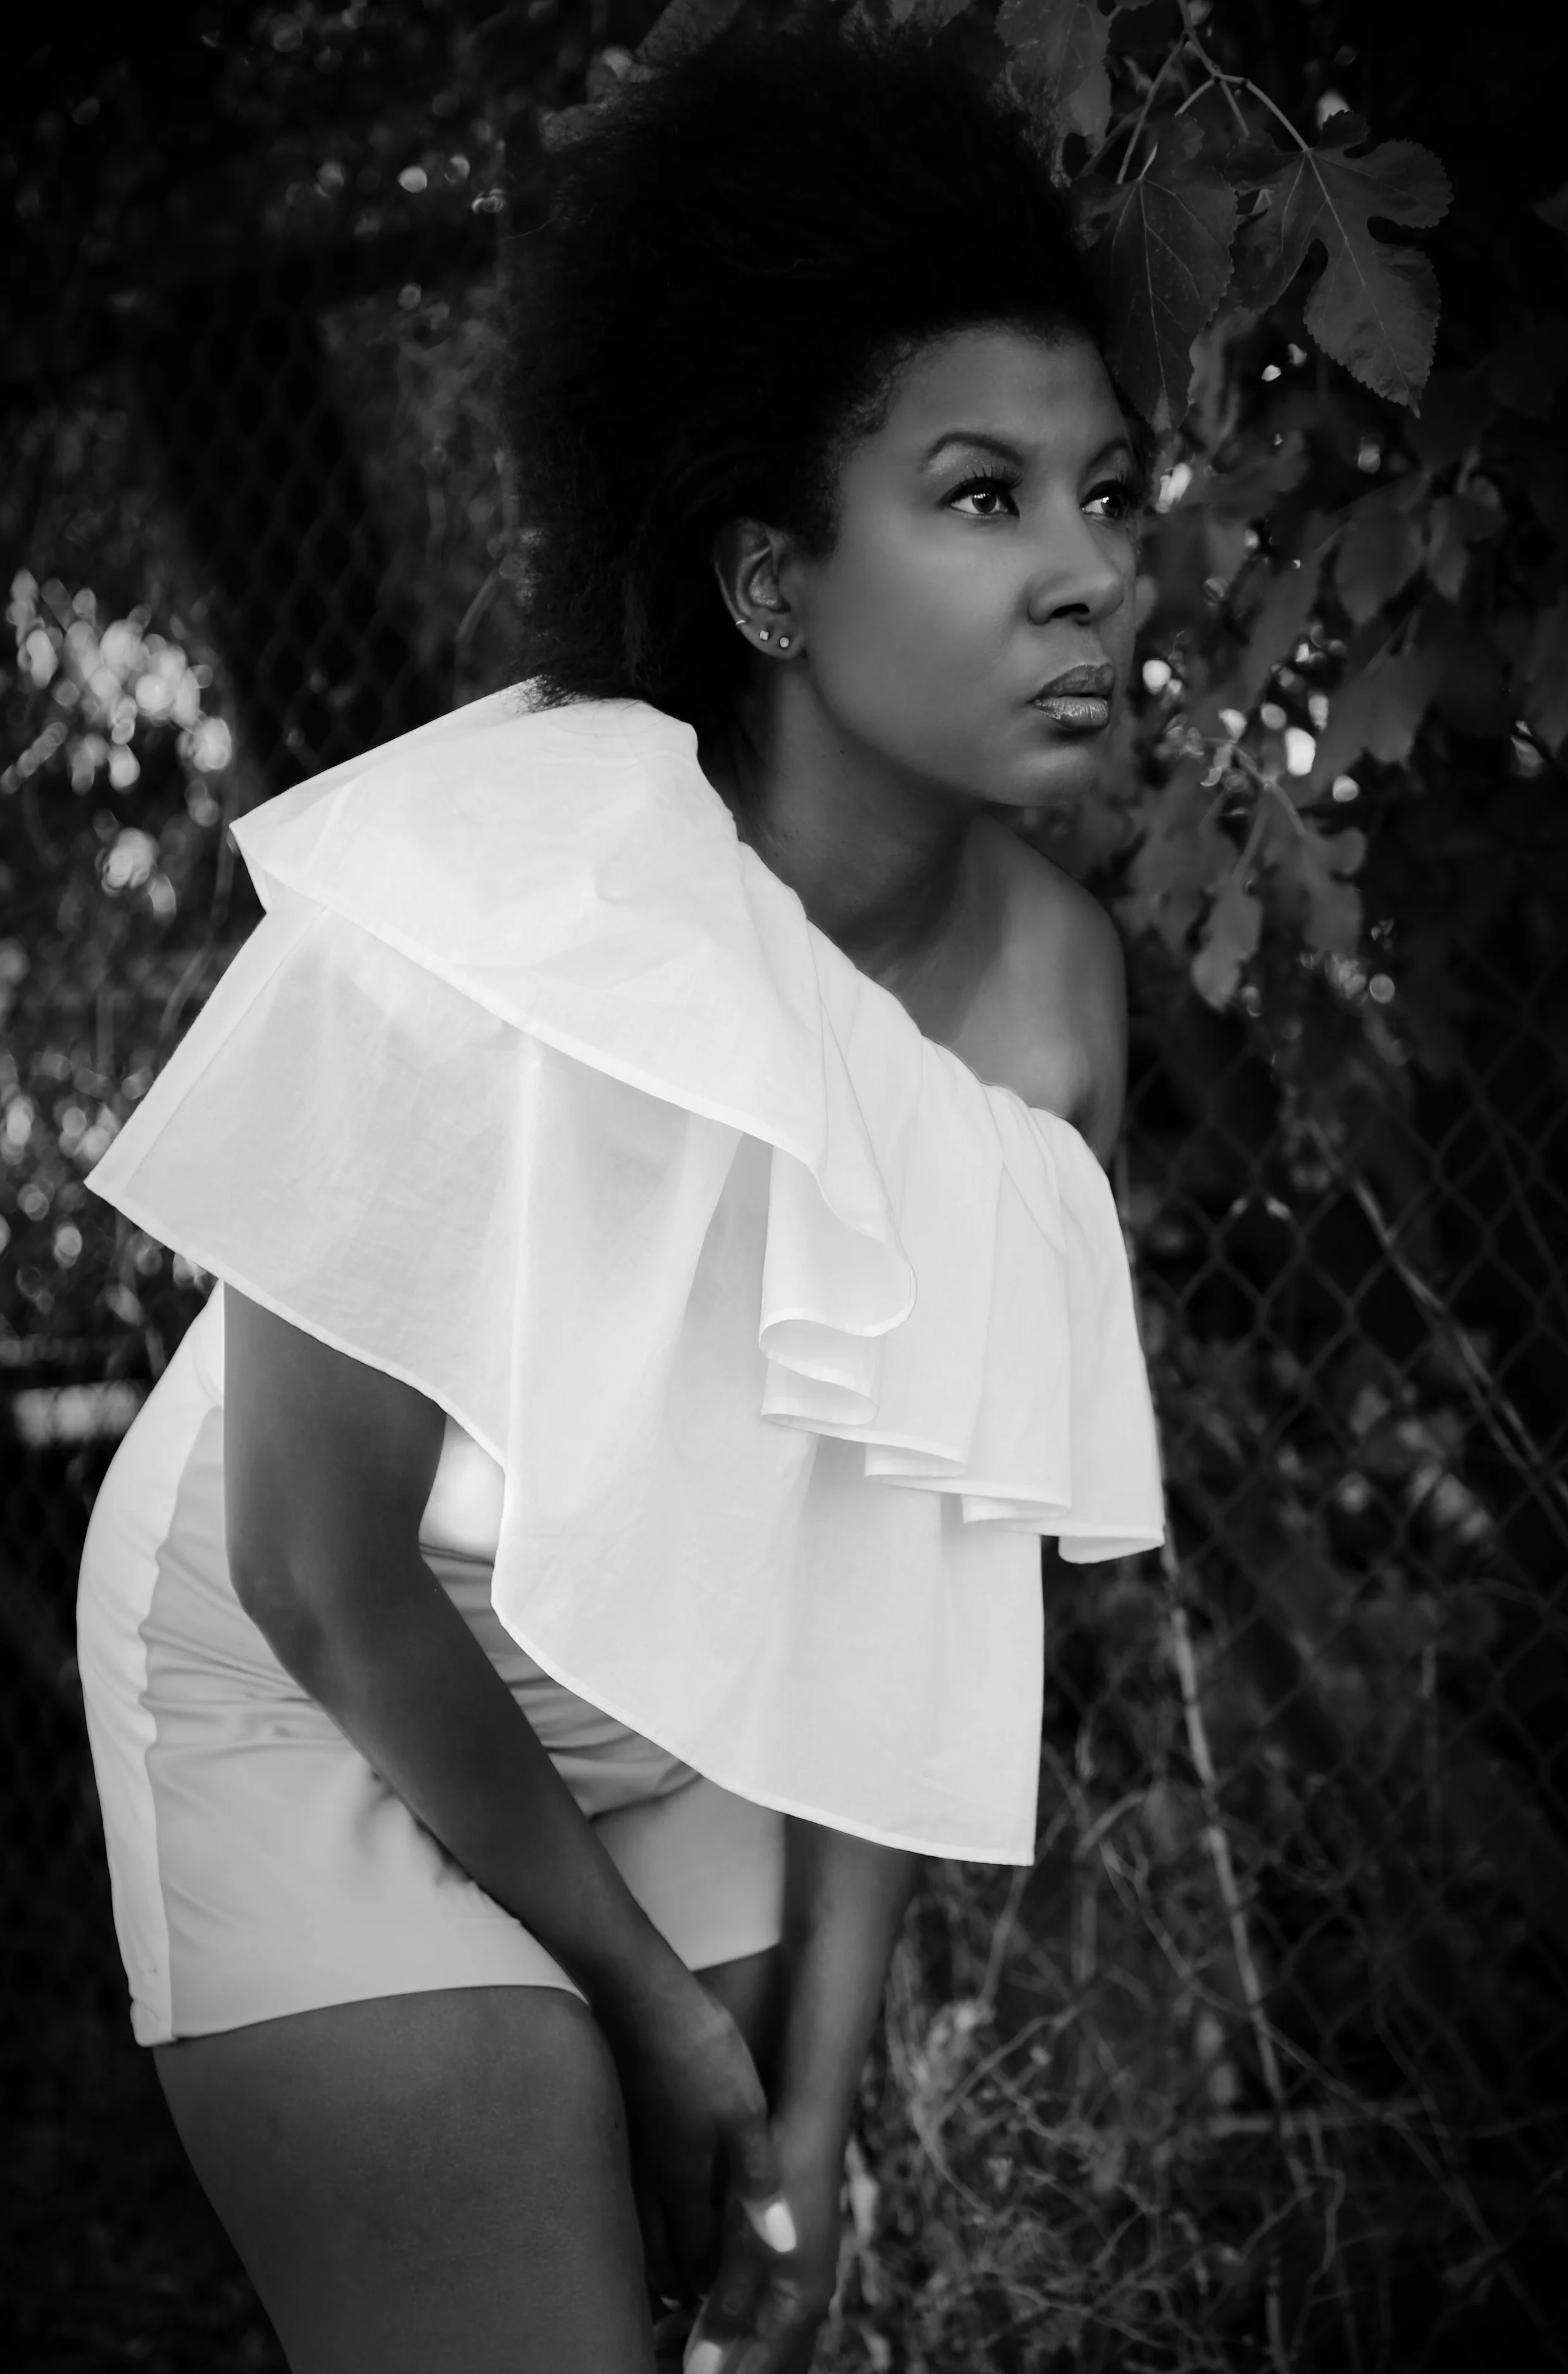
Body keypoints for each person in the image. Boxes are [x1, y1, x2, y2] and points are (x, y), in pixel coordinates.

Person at [77, 16, 1163, 2372]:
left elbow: (902, 1571)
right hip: (308, 1671)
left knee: (736, 2304)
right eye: (983, 497)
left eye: (1106, 490)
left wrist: (816, 2113)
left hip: (678, 1703)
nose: (1091, 572)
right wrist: (653, 2014)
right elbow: (321, 1558)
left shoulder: (1046, 1004)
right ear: (772, 578)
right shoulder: (473, 900)